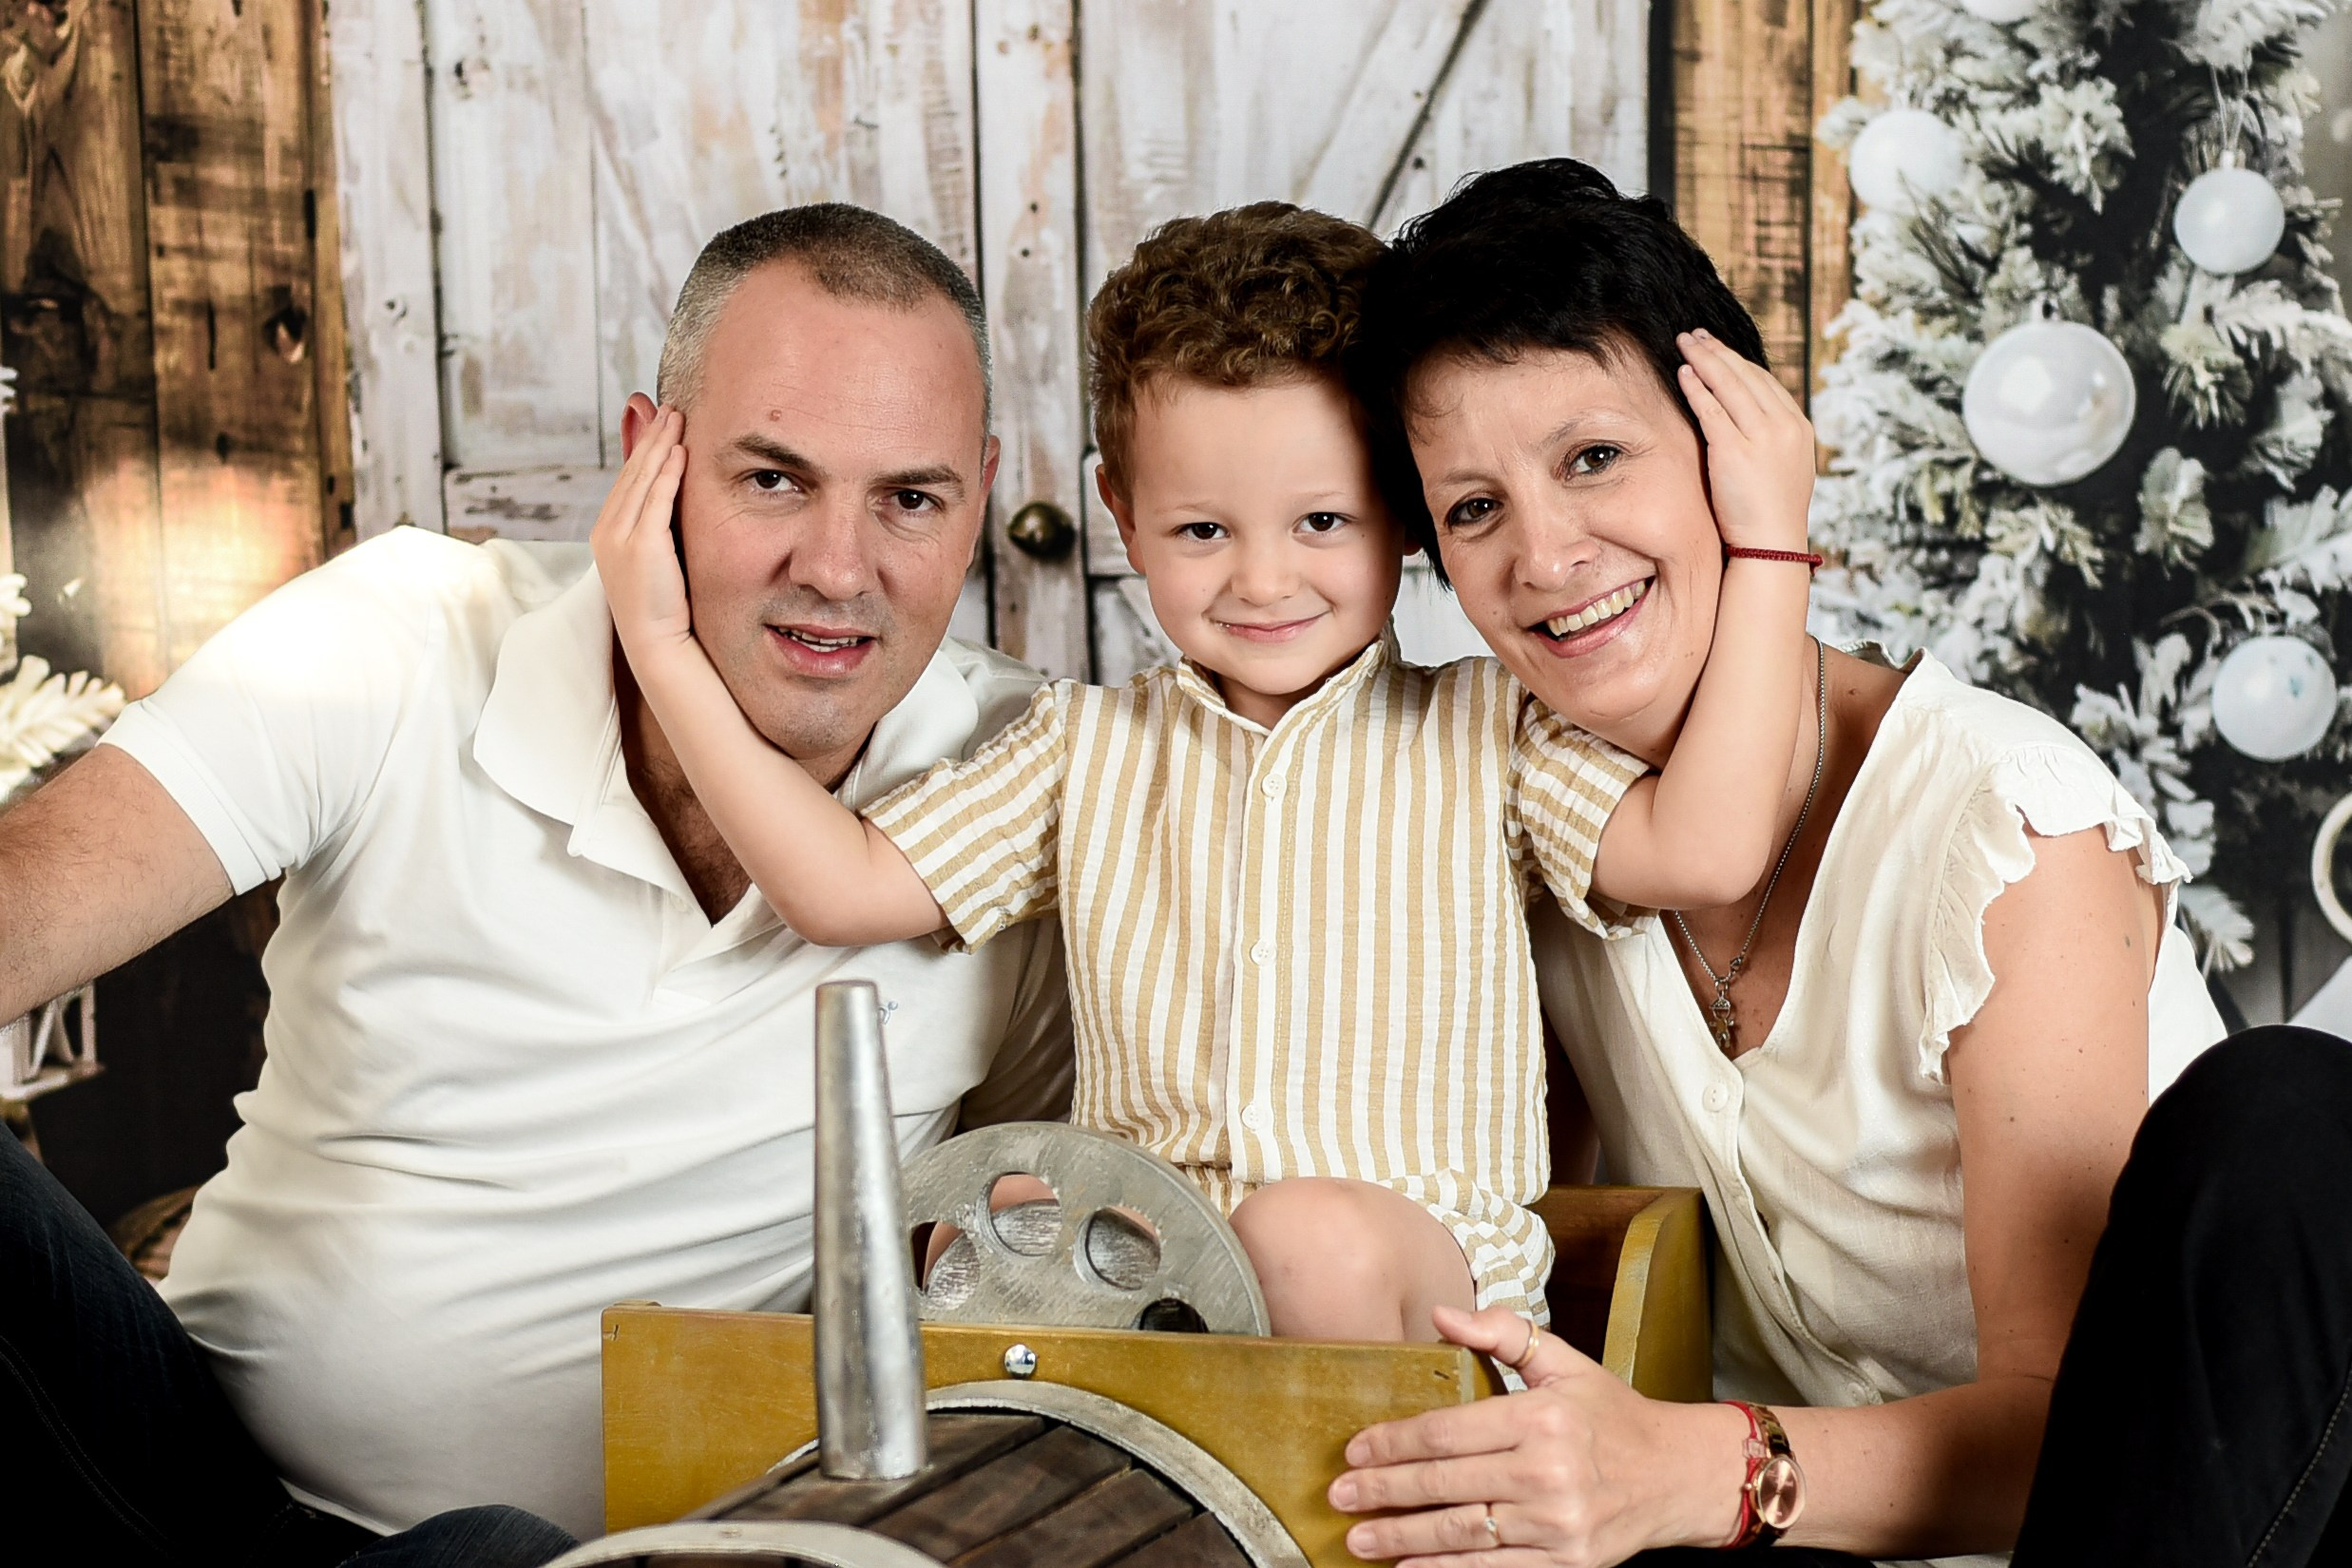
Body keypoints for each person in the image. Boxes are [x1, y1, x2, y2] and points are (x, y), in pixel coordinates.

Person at [0, 204, 1072, 1562]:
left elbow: (1071, 1217)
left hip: (558, 1563)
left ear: (978, 495)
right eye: (773, 481)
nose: (839, 569)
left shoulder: (1022, 793)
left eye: (909, 499)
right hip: (181, 1482)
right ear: (651, 460)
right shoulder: (402, 637)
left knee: (498, 1548)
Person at [1324, 158, 2352, 1566]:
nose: (1547, 554)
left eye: (1592, 457)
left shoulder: (2004, 824)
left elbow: (2076, 1435)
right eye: (1474, 508)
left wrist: (1707, 1469)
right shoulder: (1521, 817)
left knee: (2293, 1106)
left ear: (1733, 442)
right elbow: (1514, 1229)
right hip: (1777, 1542)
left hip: (2143, 1529)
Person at [593, 201, 1819, 1343]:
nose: (1265, 581)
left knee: (1305, 1240)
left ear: (1401, 511)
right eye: (1201, 531)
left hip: (1424, 1307)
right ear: (1123, 519)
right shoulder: (1082, 751)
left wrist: (1767, 548)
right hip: (1169, 1294)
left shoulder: (1483, 732)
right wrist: (657, 639)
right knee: (993, 1210)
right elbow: (838, 886)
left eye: (1322, 523)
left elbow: (1706, 847)